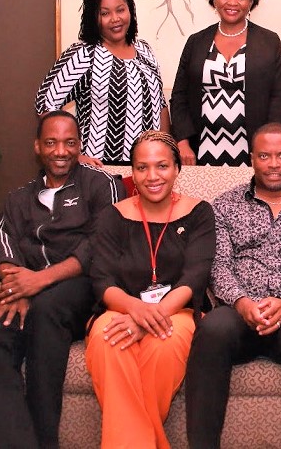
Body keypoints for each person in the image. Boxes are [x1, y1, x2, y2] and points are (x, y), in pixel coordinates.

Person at [185, 123, 281, 448]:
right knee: (212, 329)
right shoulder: (225, 205)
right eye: (265, 156)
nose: (274, 164)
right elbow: (218, 266)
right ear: (252, 158)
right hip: (238, 310)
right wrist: (241, 302)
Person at [0, 111, 125, 449]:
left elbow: (100, 245)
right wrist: (17, 286)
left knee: (46, 310)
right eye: (51, 142)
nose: (61, 151)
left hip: (85, 288)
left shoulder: (102, 185)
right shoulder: (18, 198)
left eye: (69, 143)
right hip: (31, 290)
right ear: (37, 147)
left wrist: (39, 282)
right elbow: (3, 246)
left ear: (80, 145)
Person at [85, 131, 215, 448]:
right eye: (142, 168)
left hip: (179, 311)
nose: (152, 176)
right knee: (108, 339)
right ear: (133, 171)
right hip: (119, 309)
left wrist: (150, 317)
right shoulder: (112, 215)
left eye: (162, 166)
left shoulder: (199, 212)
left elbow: (194, 278)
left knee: (164, 344)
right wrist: (137, 311)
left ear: (177, 169)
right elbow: (102, 280)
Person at [36, 0, 168, 166]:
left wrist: (166, 149)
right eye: (105, 13)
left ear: (130, 10)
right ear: (93, 17)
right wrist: (75, 155)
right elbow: (45, 103)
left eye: (120, 10)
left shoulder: (145, 50)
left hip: (148, 164)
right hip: (101, 166)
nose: (115, 19)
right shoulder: (83, 54)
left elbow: (160, 104)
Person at [170, 0, 281, 166]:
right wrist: (182, 142)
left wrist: (270, 146)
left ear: (251, 1)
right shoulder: (196, 42)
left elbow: (279, 98)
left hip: (254, 149)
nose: (232, 3)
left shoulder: (269, 42)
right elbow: (179, 96)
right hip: (200, 147)